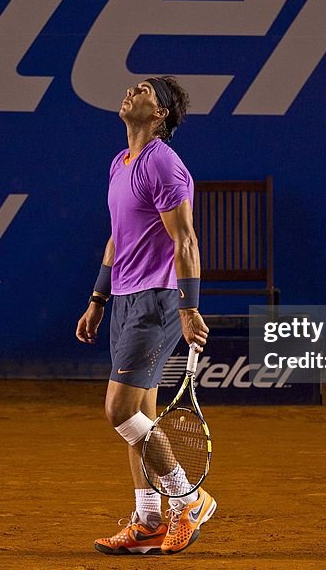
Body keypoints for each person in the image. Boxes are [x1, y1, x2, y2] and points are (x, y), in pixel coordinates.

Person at [75, 76, 216, 555]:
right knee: (141, 417)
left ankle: (188, 498)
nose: (132, 91)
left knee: (120, 410)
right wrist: (98, 298)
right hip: (124, 300)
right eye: (133, 86)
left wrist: (189, 305)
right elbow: (118, 238)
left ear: (160, 115)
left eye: (145, 91)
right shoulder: (121, 163)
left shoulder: (163, 164)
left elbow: (186, 240)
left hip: (157, 300)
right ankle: (149, 519)